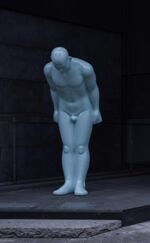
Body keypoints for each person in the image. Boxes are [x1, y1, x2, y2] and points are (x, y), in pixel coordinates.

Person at [44, 47, 102, 196]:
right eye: (58, 67)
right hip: (64, 108)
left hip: (84, 109)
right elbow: (54, 90)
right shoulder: (49, 70)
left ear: (69, 59)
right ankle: (68, 182)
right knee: (68, 147)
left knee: (81, 147)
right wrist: (56, 109)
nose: (61, 70)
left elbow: (93, 89)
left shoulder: (85, 69)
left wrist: (96, 110)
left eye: (63, 66)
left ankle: (80, 183)